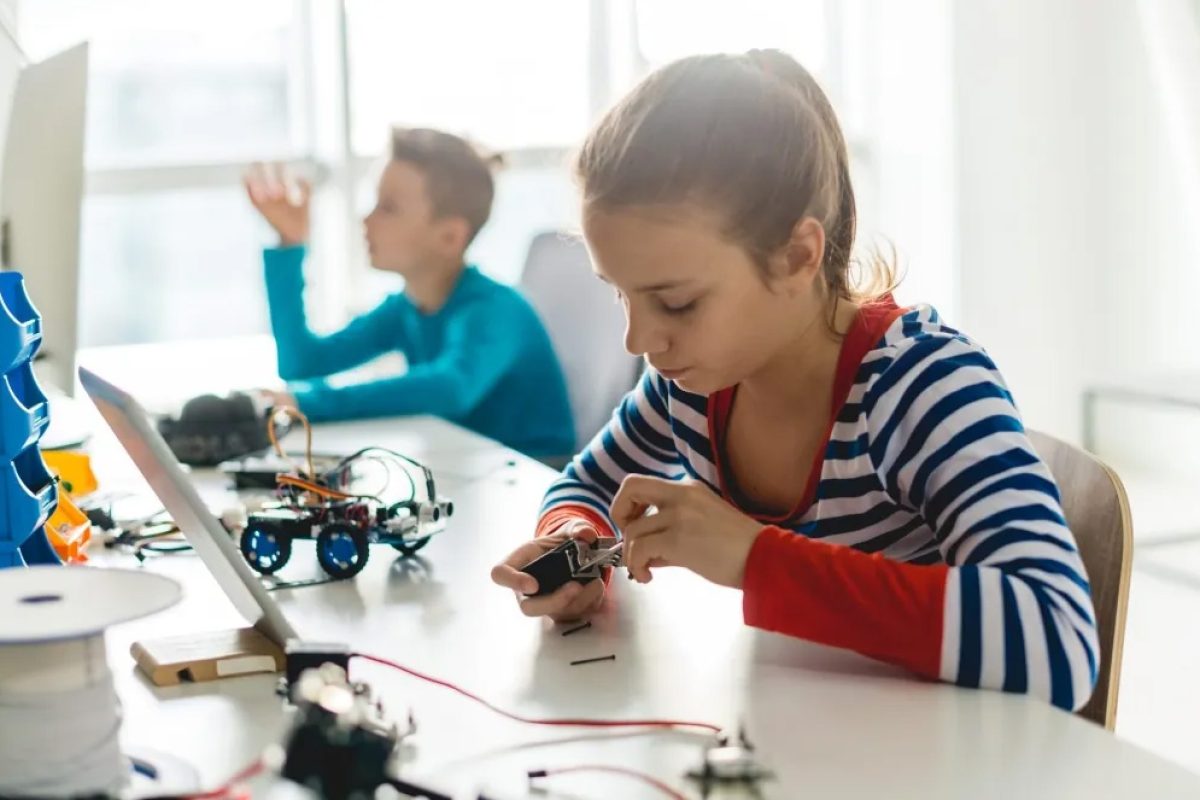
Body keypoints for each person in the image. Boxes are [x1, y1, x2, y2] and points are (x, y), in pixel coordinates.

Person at [490, 51, 1098, 711]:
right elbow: (586, 484)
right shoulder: (691, 387)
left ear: (798, 256)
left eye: (678, 302)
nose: (638, 341)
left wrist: (757, 560)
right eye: (620, 295)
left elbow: (1057, 640)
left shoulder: (920, 387)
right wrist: (574, 542)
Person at [243, 128, 574, 459]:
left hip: (538, 479)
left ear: (449, 236)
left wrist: (302, 403)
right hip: (467, 468)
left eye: (388, 208)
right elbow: (302, 362)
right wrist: (290, 243)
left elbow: (450, 389)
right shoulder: (406, 309)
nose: (366, 219)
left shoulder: (498, 311)